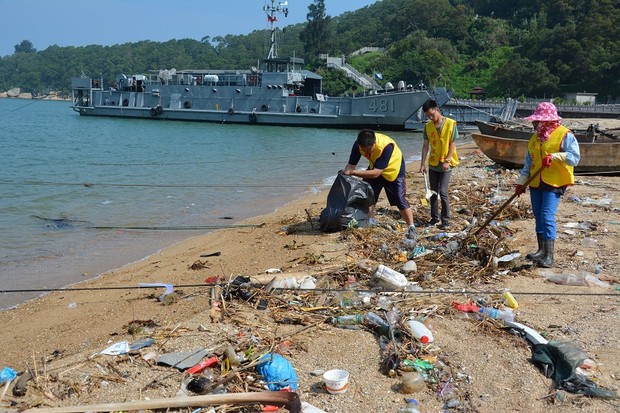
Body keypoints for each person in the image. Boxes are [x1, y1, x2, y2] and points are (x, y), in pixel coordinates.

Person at [514, 102, 580, 268]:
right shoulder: (535, 138)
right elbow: (528, 163)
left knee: (547, 216)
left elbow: (574, 157)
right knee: (538, 215)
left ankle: (549, 256)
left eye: (538, 121)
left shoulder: (565, 135)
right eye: (536, 121)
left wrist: (555, 156)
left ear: (548, 120)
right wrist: (520, 183)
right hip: (536, 182)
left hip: (554, 181)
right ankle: (541, 251)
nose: (535, 124)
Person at [343, 129, 417, 239]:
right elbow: (350, 166)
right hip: (375, 167)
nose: (366, 152)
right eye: (363, 150)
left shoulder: (386, 147)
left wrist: (353, 173)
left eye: (368, 150)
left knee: (399, 198)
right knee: (368, 194)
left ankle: (411, 227)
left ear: (374, 144)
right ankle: (370, 220)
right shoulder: (358, 145)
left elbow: (376, 173)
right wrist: (344, 178)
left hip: (393, 170)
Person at [419, 99, 459, 229]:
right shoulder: (428, 126)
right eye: (428, 116)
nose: (431, 118)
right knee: (433, 192)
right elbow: (425, 146)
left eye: (432, 114)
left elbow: (452, 144)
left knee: (443, 191)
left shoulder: (451, 124)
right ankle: (434, 218)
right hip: (433, 163)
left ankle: (445, 219)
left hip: (446, 163)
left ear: (437, 109)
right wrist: (422, 163)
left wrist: (447, 160)